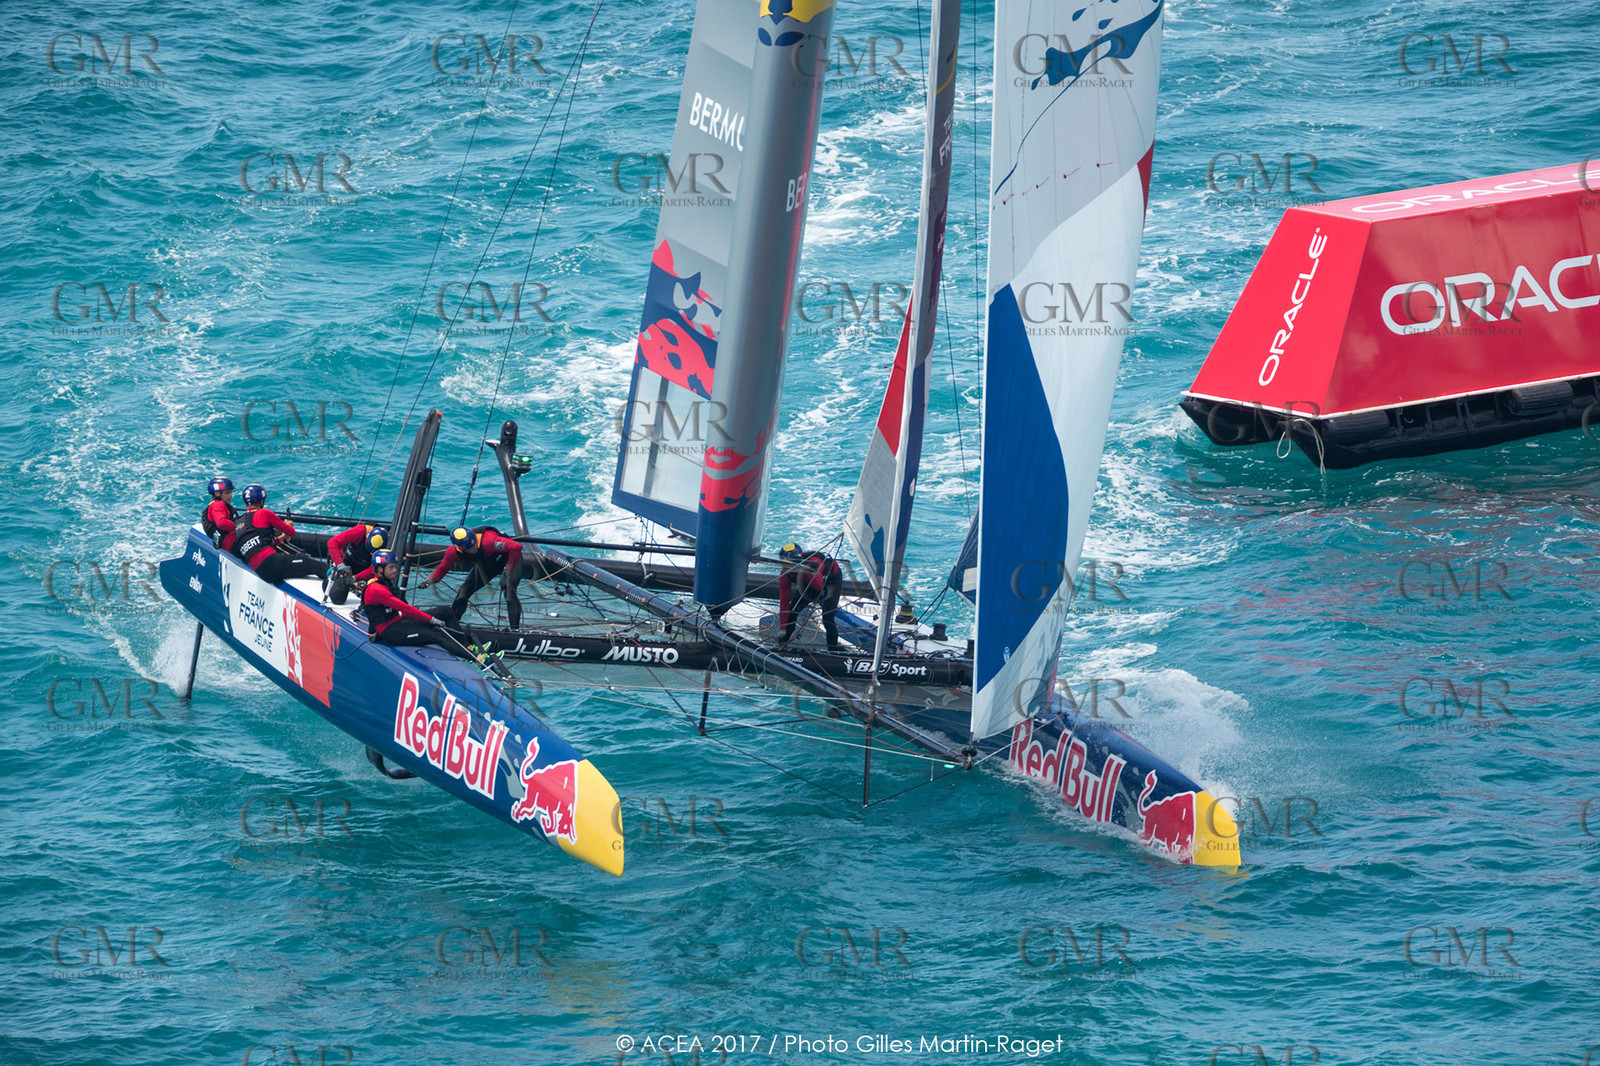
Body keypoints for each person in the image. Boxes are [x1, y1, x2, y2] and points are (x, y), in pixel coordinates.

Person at [421, 525, 524, 628]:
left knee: (508, 588)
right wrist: (428, 581)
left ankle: (515, 629)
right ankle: (453, 626)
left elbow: (516, 547)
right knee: (464, 591)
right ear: (460, 548)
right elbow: (442, 568)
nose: (474, 548)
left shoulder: (488, 541)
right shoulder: (454, 551)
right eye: (469, 548)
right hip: (488, 564)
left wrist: (508, 569)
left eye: (474, 544)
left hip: (510, 559)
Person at [233, 484, 325, 584]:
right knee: (317, 565)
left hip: (261, 571)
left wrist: (279, 539)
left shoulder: (238, 523)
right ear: (261, 500)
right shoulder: (263, 513)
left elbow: (256, 545)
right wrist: (289, 524)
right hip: (272, 562)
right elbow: (291, 532)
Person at [362, 549, 450, 649]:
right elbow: (406, 608)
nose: (395, 570)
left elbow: (403, 610)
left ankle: (463, 643)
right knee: (437, 635)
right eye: (391, 567)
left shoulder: (387, 584)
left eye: (395, 567)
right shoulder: (376, 589)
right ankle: (466, 654)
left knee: (446, 611)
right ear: (380, 569)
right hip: (390, 631)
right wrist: (432, 620)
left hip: (398, 621)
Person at [777, 542, 843, 650]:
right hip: (809, 582)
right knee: (793, 611)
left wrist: (805, 570)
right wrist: (783, 628)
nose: (786, 568)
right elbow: (784, 601)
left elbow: (818, 586)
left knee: (827, 618)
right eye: (784, 564)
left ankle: (833, 649)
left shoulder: (814, 562)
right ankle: (783, 643)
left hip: (830, 581)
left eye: (789, 565)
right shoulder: (785, 574)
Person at [324, 524, 388, 605]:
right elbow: (332, 542)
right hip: (346, 565)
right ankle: (328, 573)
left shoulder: (387, 547)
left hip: (365, 568)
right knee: (338, 598)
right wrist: (340, 564)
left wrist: (355, 578)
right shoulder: (360, 531)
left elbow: (376, 569)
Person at [201, 477, 237, 551]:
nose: (230, 496)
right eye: (227, 493)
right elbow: (221, 523)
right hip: (231, 543)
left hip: (224, 544)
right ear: (217, 493)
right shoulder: (218, 504)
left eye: (231, 493)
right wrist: (240, 527)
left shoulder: (213, 505)